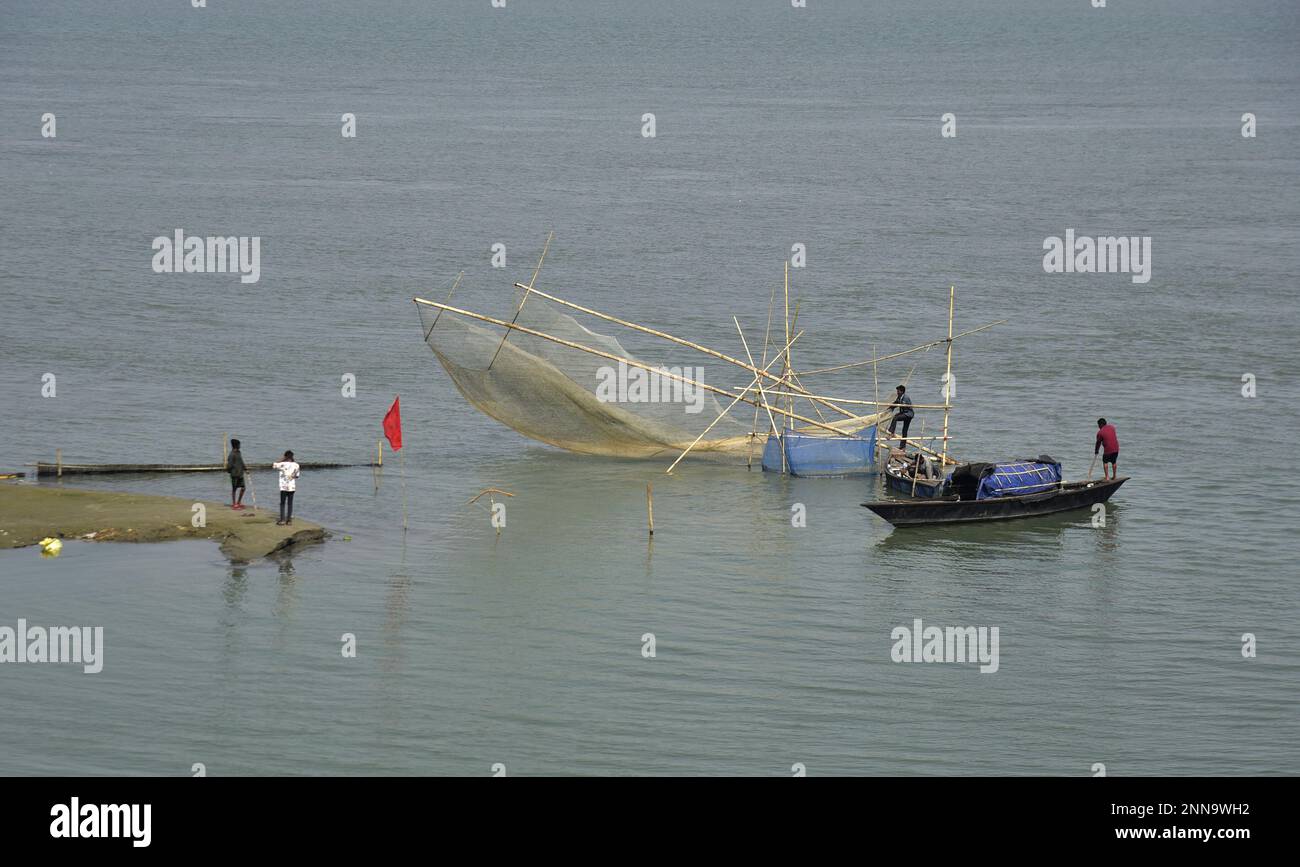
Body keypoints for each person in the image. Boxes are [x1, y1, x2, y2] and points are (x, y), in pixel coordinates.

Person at [272, 450, 300, 526]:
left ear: (285, 456)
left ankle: (282, 520)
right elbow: (297, 476)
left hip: (283, 487)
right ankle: (289, 521)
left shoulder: (282, 464)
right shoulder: (297, 465)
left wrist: (281, 459)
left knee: (282, 503)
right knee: (290, 503)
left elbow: (274, 465)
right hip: (292, 487)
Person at [887, 385, 914, 449]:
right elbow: (895, 403)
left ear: (902, 391)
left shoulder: (905, 398)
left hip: (908, 414)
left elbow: (904, 406)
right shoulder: (899, 397)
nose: (897, 392)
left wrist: (899, 407)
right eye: (897, 391)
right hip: (905, 413)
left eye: (898, 391)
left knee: (895, 418)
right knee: (904, 431)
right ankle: (902, 447)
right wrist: (889, 408)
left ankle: (892, 433)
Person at [226, 439, 247, 509]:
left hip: (240, 473)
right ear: (236, 445)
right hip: (234, 474)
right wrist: (229, 471)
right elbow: (229, 465)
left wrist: (245, 468)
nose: (240, 446)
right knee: (234, 489)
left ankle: (238, 502)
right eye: (239, 445)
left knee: (243, 488)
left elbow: (241, 461)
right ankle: (234, 503)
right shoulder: (232, 454)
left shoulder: (239, 452)